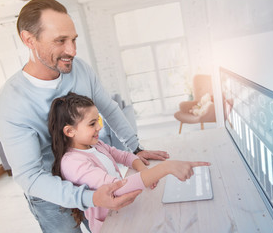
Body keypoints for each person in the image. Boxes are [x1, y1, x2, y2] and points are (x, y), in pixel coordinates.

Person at [0, 0, 169, 232]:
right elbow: (30, 177)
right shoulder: (11, 101)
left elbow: (109, 109)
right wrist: (90, 198)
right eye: (60, 41)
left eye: (74, 39)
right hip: (51, 195)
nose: (72, 51)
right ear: (29, 39)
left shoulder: (81, 70)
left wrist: (135, 148)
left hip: (93, 175)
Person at [48, 92, 210, 233]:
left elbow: (124, 156)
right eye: (92, 124)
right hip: (110, 224)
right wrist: (166, 167)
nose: (99, 127)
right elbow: (116, 189)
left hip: (124, 212)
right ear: (70, 131)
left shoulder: (95, 144)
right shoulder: (73, 163)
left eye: (98, 120)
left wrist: (142, 171)